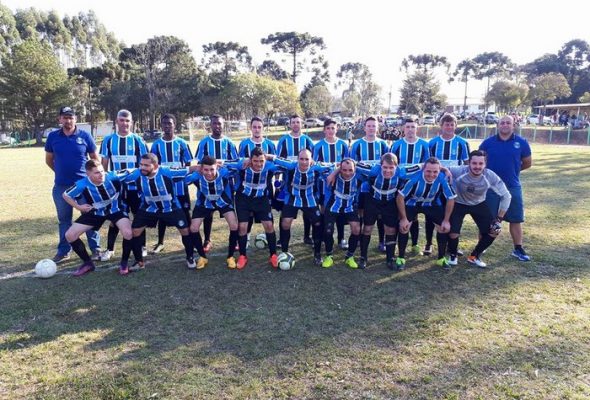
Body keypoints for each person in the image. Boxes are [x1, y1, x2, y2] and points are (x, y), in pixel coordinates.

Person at [45, 106, 101, 263]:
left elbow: (95, 159)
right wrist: (59, 172)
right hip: (61, 186)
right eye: (65, 117)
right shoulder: (53, 137)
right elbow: (49, 159)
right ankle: (64, 251)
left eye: (71, 117)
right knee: (64, 220)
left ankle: (95, 249)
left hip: (84, 185)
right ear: (60, 119)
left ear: (76, 119)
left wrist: (95, 177)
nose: (68, 120)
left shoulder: (85, 136)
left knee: (90, 216)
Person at [124, 153, 197, 272]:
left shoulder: (167, 172)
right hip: (149, 208)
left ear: (156, 165)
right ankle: (139, 261)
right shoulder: (136, 174)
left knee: (185, 230)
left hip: (171, 207)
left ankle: (190, 257)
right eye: (141, 164)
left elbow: (190, 169)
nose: (142, 168)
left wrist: (209, 165)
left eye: (146, 165)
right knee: (135, 232)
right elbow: (115, 176)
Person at [62, 160, 135, 276]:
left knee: (128, 232)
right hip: (96, 212)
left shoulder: (113, 176)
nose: (101, 175)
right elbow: (66, 195)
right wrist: (78, 206)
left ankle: (124, 263)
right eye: (97, 173)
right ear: (88, 174)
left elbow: (135, 171)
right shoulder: (82, 184)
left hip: (116, 209)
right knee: (70, 235)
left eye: (102, 171)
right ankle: (87, 264)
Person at [480, 115, 533, 261]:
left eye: (508, 123)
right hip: (490, 187)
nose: (505, 125)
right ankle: (481, 247)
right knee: (487, 219)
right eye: (502, 122)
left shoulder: (521, 142)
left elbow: (527, 162)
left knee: (515, 219)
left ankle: (518, 248)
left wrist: (513, 171)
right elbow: (480, 162)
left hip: (512, 186)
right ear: (498, 125)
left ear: (513, 125)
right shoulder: (488, 143)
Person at [446, 150, 512, 267]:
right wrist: (445, 170)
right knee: (453, 232)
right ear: (469, 163)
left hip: (478, 204)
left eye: (481, 163)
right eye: (474, 163)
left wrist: (499, 218)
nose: (477, 167)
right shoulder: (459, 170)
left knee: (495, 230)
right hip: (458, 203)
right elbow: (437, 167)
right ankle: (452, 255)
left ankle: (474, 256)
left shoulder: (490, 176)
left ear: (485, 164)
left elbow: (507, 196)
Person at [355, 153, 421, 270]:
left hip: (390, 202)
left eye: (391, 168)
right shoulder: (373, 170)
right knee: (367, 228)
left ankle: (390, 258)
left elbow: (422, 166)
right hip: (372, 200)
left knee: (390, 230)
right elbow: (353, 163)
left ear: (396, 166)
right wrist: (334, 173)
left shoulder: (402, 172)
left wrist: (444, 169)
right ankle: (363, 257)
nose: (387, 170)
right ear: (380, 165)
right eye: (385, 167)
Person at [99, 109, 148, 262]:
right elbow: (104, 163)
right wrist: (104, 184)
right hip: (116, 188)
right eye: (121, 120)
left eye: (127, 121)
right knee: (115, 218)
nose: (124, 123)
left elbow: (146, 163)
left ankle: (142, 246)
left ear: (131, 122)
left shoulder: (138, 140)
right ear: (116, 121)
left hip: (136, 187)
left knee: (139, 216)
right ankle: (110, 249)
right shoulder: (108, 140)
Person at [267, 149, 331, 264]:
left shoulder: (317, 167)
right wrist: (257, 158)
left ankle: (317, 254)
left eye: (307, 159)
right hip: (292, 198)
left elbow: (335, 166)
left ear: (311, 160)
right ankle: (284, 252)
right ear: (297, 159)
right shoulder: (291, 165)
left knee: (317, 223)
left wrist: (333, 174)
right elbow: (273, 158)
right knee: (285, 223)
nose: (304, 162)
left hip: (309, 198)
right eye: (301, 159)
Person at [397, 157, 457, 270]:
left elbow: (451, 198)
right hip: (412, 203)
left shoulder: (442, 178)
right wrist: (403, 218)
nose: (431, 174)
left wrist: (446, 220)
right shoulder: (414, 178)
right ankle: (400, 258)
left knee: (443, 228)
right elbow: (400, 197)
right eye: (428, 171)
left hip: (432, 204)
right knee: (404, 227)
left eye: (435, 172)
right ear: (423, 169)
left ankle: (441, 258)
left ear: (439, 171)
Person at [425, 113, 470, 256]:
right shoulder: (433, 143)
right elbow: (428, 163)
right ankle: (428, 243)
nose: (449, 127)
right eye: (446, 124)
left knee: (453, 214)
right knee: (431, 212)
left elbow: (467, 164)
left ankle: (452, 245)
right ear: (441, 126)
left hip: (454, 184)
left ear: (455, 126)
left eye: (452, 124)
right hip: (435, 183)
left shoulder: (462, 143)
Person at [227, 147, 280, 269]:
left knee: (269, 225)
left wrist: (271, 157)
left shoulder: (270, 166)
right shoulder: (242, 165)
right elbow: (224, 163)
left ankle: (273, 255)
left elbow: (290, 165)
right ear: (250, 160)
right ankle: (242, 256)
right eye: (255, 161)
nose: (259, 164)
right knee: (242, 227)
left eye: (261, 161)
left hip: (261, 199)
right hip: (243, 199)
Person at [185, 156, 240, 270]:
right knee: (193, 228)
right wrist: (193, 168)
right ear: (201, 169)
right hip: (204, 203)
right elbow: (182, 179)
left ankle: (230, 257)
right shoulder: (196, 176)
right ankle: (202, 257)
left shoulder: (224, 172)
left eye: (212, 169)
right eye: (206, 170)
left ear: (217, 168)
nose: (209, 173)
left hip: (223, 202)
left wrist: (223, 162)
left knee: (234, 225)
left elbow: (240, 165)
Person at [194, 114, 238, 253]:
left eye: (219, 123)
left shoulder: (229, 143)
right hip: (206, 184)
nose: (217, 126)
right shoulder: (204, 143)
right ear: (210, 125)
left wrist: (223, 165)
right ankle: (207, 240)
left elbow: (236, 163)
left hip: (225, 185)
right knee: (208, 213)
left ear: (223, 124)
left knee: (229, 211)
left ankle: (235, 240)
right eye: (214, 123)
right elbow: (198, 163)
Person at [150, 114, 193, 254]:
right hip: (163, 187)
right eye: (164, 123)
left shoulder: (182, 143)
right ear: (161, 126)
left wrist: (185, 179)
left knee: (185, 213)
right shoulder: (156, 145)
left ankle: (191, 241)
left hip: (180, 186)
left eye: (170, 123)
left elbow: (188, 164)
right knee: (163, 213)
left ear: (174, 125)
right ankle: (160, 242)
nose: (167, 126)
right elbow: (154, 165)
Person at [390, 117, 430, 255]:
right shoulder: (396, 145)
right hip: (400, 184)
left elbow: (427, 165)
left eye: (413, 127)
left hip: (417, 185)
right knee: (399, 214)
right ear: (403, 128)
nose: (410, 129)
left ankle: (415, 244)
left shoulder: (424, 145)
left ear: (417, 128)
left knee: (414, 214)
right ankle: (396, 243)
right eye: (408, 127)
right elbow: (392, 166)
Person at [350, 116, 389, 253]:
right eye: (369, 126)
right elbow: (352, 164)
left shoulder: (383, 144)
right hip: (362, 184)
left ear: (377, 128)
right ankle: (360, 239)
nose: (371, 128)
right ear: (364, 128)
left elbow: (388, 164)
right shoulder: (357, 145)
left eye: (374, 126)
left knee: (380, 213)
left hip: (379, 185)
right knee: (361, 211)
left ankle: (382, 241)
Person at [238, 117, 277, 247]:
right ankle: (247, 237)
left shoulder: (270, 144)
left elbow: (275, 162)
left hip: (265, 185)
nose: (257, 129)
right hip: (248, 185)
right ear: (251, 128)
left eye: (259, 127)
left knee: (267, 212)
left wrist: (276, 182)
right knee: (248, 213)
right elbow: (241, 163)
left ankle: (268, 236)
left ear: (263, 128)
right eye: (254, 127)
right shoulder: (244, 144)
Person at [276, 114, 315, 245]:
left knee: (307, 209)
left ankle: (307, 236)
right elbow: (278, 161)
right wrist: (277, 182)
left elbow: (313, 160)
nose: (296, 124)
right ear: (290, 124)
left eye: (298, 122)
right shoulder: (283, 140)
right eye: (293, 122)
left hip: (306, 182)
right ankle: (282, 239)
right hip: (287, 182)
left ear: (301, 124)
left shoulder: (307, 140)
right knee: (285, 210)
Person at [313, 118, 349, 250]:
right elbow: (315, 165)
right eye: (328, 128)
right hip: (324, 184)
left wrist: (335, 172)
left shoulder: (343, 145)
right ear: (324, 130)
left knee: (340, 209)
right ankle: (324, 237)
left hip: (340, 183)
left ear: (337, 129)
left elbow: (347, 163)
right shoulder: (318, 146)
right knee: (324, 209)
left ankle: (341, 238)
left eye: (333, 128)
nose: (330, 130)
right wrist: (327, 174)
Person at [321, 158, 364, 269]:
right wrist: (335, 172)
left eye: (350, 170)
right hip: (334, 204)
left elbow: (374, 171)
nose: (347, 173)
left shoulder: (360, 176)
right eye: (344, 170)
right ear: (340, 169)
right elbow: (324, 173)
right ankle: (329, 256)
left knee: (356, 229)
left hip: (350, 205)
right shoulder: (333, 174)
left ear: (355, 169)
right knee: (328, 230)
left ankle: (349, 256)